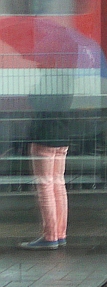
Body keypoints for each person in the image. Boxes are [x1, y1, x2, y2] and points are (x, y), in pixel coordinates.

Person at [20, 93, 73, 250]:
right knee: (58, 184)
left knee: (45, 186)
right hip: (62, 135)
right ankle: (60, 233)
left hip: (44, 136)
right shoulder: (66, 82)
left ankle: (50, 236)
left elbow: (37, 102)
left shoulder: (47, 82)